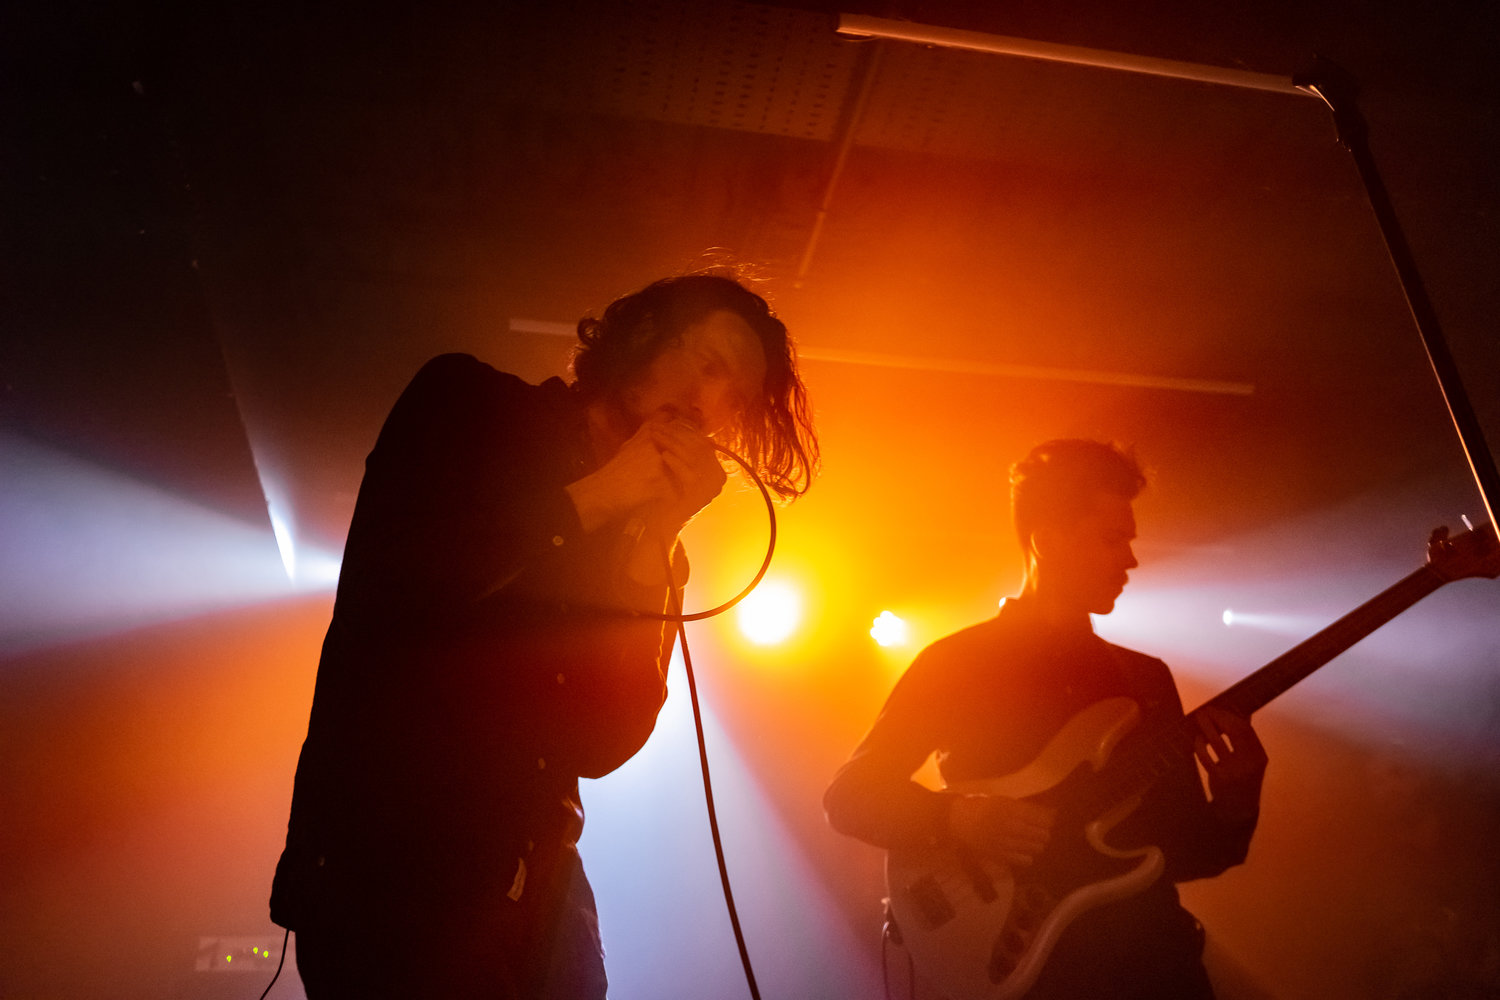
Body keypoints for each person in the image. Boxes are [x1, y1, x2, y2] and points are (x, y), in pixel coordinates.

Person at [270, 271, 818, 999]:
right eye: (709, 364)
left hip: (540, 894)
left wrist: (654, 536)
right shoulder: (470, 404)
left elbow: (601, 743)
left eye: (735, 399)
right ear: (643, 334)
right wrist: (603, 496)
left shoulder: (651, 545)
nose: (710, 405)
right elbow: (408, 579)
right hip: (391, 873)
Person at [824, 439, 1267, 999]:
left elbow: (1184, 855)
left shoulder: (1145, 679)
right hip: (1035, 980)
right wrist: (955, 818)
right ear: (1047, 540)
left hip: (1155, 968)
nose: (1131, 559)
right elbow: (850, 796)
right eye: (1112, 538)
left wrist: (1237, 799)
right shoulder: (958, 663)